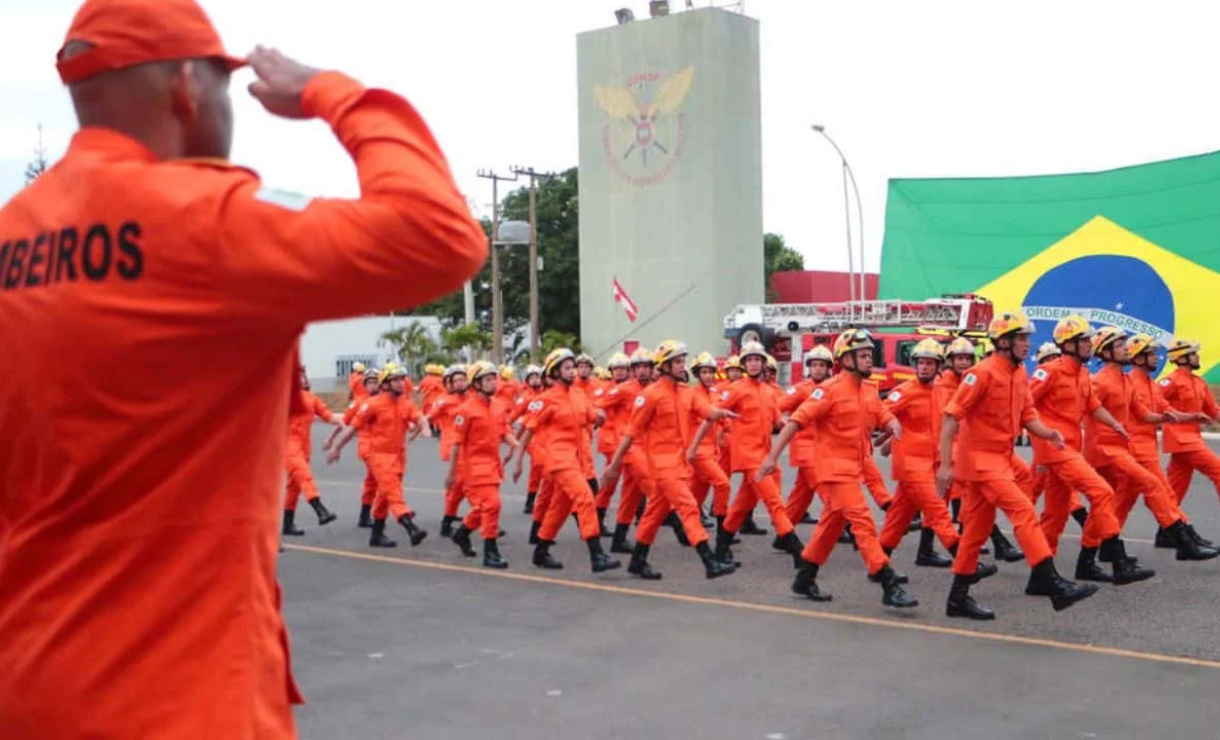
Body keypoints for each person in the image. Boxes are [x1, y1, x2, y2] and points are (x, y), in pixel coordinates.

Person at [0, 0, 487, 735]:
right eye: (225, 87)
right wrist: (334, 91)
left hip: (30, 678)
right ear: (191, 90)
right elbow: (439, 234)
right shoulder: (208, 221)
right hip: (177, 696)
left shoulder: (12, 240)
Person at [936, 312, 1098, 619]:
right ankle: (1051, 581)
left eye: (1027, 338)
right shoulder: (980, 374)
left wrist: (1048, 433)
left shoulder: (1019, 373)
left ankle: (957, 599)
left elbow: (1027, 415)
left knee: (975, 532)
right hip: (980, 463)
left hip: (1000, 459)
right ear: (1004, 341)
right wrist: (946, 464)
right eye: (1021, 338)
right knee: (1024, 511)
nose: (1027, 343)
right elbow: (950, 416)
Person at [760, 329, 916, 607]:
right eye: (864, 356)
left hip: (854, 468)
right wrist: (772, 457)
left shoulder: (868, 390)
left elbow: (880, 412)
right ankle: (887, 582)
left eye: (870, 355)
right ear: (846, 359)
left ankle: (804, 578)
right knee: (862, 521)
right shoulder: (828, 391)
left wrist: (892, 423)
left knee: (831, 526)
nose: (870, 360)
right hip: (833, 470)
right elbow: (795, 421)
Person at [600, 341, 739, 579]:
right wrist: (614, 466)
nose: (681, 365)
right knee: (688, 507)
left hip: (679, 463)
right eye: (677, 362)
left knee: (654, 514)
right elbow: (631, 433)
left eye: (682, 361)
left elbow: (706, 411)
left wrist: (721, 413)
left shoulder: (687, 392)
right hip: (662, 466)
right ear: (664, 366)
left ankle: (638, 560)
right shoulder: (650, 395)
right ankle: (709, 561)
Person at [1030, 315, 1152, 584]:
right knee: (1102, 492)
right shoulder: (1049, 371)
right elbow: (1025, 406)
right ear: (1068, 345)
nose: (1089, 345)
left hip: (1072, 446)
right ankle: (1118, 561)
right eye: (1083, 341)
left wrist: (1115, 424)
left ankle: (1041, 577)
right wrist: (1042, 436)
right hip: (1056, 449)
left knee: (1055, 514)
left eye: (1088, 340)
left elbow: (1093, 406)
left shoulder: (1084, 374)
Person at [1085, 327, 1218, 562]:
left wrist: (1191, 416)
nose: (1157, 358)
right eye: (1152, 354)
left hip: (1139, 448)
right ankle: (1182, 538)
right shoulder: (1116, 381)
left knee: (1120, 501)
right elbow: (1087, 409)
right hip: (1130, 449)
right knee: (1157, 489)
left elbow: (1154, 412)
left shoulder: (1142, 383)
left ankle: (1105, 547)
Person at [512, 349, 621, 573]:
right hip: (559, 460)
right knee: (585, 498)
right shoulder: (546, 400)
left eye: (573, 367)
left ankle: (540, 552)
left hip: (576, 460)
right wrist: (518, 461)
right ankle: (596, 554)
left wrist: (600, 417)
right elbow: (528, 432)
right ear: (554, 371)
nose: (572, 372)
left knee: (559, 510)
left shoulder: (579, 395)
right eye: (567, 368)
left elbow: (593, 417)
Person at [329, 366, 428, 547]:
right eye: (396, 380)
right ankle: (411, 527)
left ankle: (376, 534)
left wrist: (425, 426)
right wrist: (336, 447)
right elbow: (352, 427)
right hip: (379, 456)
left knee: (384, 495)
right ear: (386, 383)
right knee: (393, 492)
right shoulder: (372, 404)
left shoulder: (405, 403)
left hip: (398, 455)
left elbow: (418, 416)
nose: (401, 383)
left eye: (402, 379)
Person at [448, 361, 519, 568]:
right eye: (487, 380)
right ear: (476, 384)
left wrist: (519, 445)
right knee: (492, 505)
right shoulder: (466, 410)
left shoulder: (498, 406)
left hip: (493, 465)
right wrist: (452, 474)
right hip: (474, 467)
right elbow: (456, 444)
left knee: (482, 508)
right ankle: (490, 551)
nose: (492, 383)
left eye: (493, 378)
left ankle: (461, 533)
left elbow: (505, 431)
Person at [282, 366, 344, 536]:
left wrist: (339, 422)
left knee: (293, 487)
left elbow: (326, 414)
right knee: (304, 476)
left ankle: (287, 525)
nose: (302, 378)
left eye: (303, 375)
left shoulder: (311, 398)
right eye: (297, 376)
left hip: (304, 447)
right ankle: (320, 510)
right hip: (288, 446)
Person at [1159, 339, 1220, 509]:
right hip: (1181, 440)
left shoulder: (1199, 383)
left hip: (1191, 440)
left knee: (1175, 489)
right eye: (1193, 353)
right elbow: (1151, 403)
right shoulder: (1170, 382)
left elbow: (1214, 411)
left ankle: (1167, 530)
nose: (1197, 356)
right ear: (1181, 358)